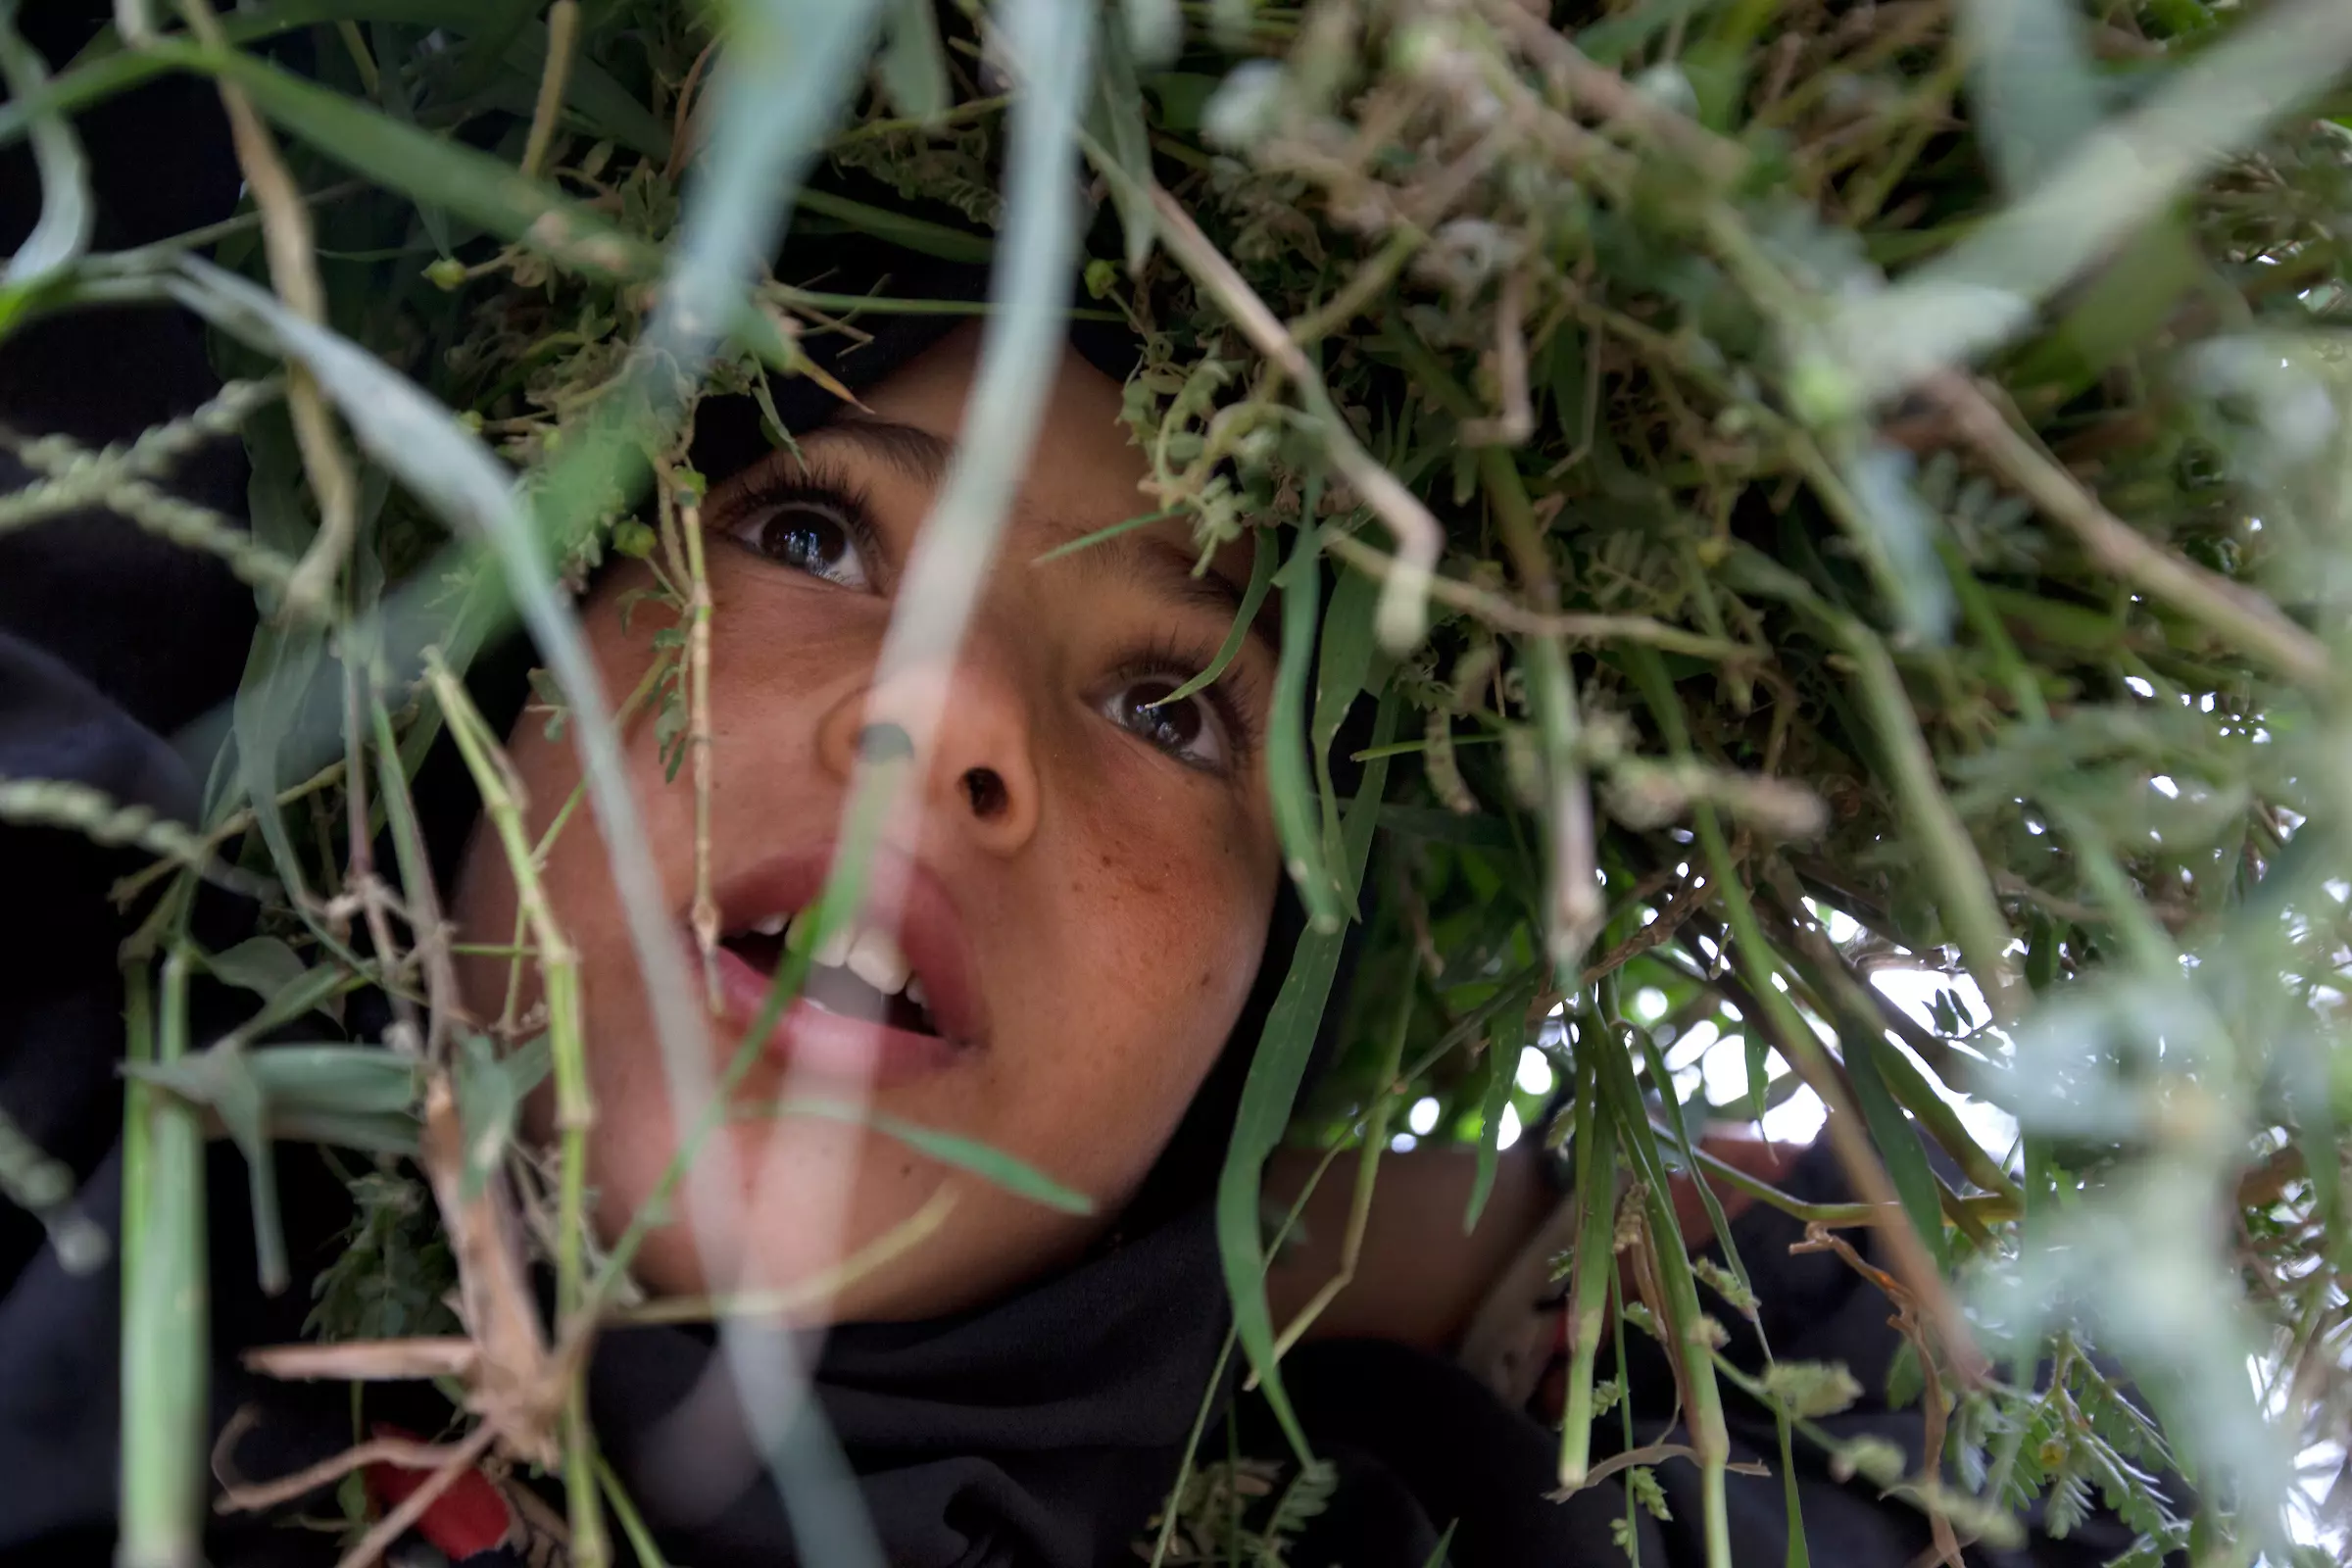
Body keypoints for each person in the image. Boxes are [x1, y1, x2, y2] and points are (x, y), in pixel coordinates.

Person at [0, 17, 2166, 1568]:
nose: (949, 715)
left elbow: (2034, 1470)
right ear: (499, 652)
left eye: (1177, 704)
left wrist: (1305, 1240)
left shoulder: (1355, 1524)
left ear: (1255, 1016)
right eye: (813, 532)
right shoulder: (61, 1077)